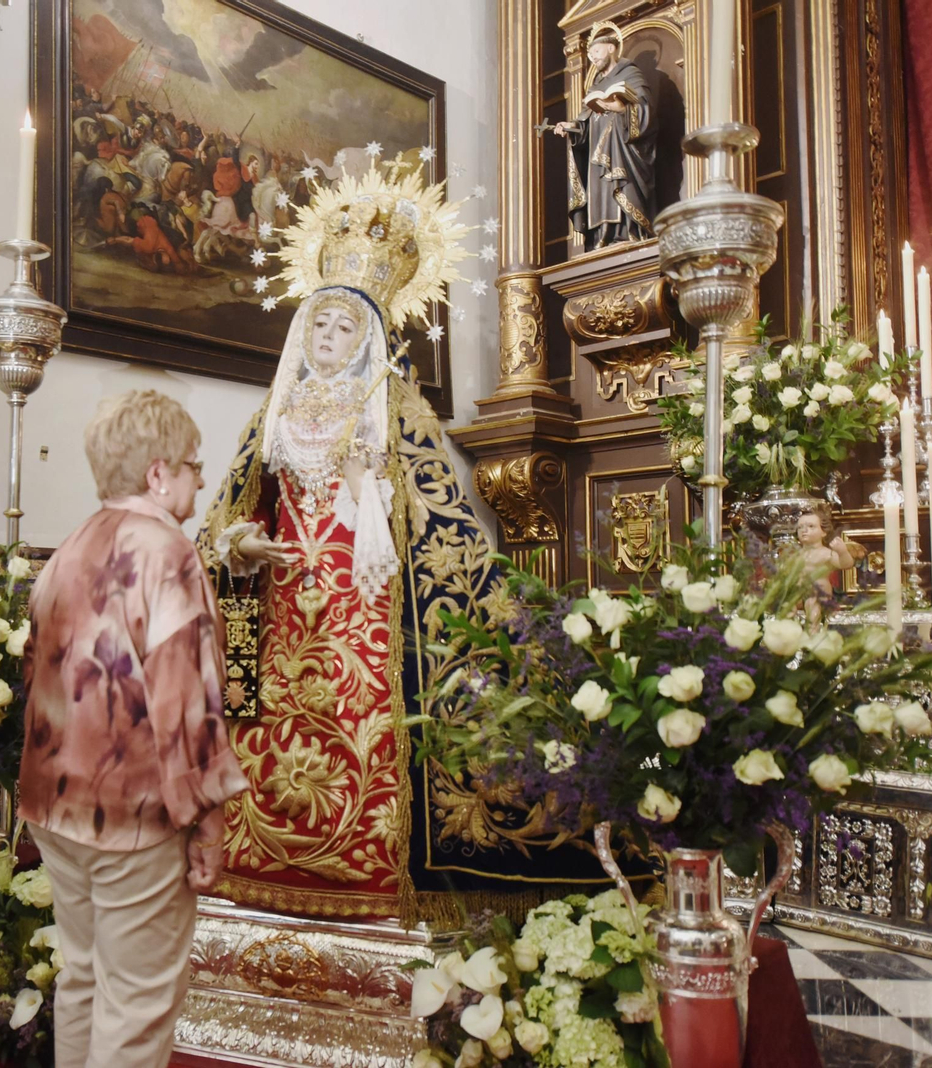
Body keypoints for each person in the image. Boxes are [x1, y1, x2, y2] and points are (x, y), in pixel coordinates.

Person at [198, 163, 626, 923]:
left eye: (345, 327)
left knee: (368, 728)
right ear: (302, 330)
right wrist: (239, 544)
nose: (330, 338)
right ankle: (260, 861)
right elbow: (235, 510)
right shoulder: (273, 411)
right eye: (321, 324)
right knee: (274, 726)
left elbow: (434, 523)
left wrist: (367, 486)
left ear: (369, 337)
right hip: (284, 600)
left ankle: (370, 875)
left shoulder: (390, 410)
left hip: (368, 603)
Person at [18, 391, 249, 1068]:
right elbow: (185, 698)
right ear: (157, 473)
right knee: (138, 1004)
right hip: (135, 813)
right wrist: (206, 818)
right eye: (191, 465)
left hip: (55, 804)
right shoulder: (167, 550)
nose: (201, 480)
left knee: (83, 978)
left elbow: (37, 671)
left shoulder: (70, 545)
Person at [550, 20, 656, 250]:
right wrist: (572, 127)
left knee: (620, 185)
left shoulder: (630, 73)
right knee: (601, 191)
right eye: (589, 55)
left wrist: (622, 109)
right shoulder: (595, 85)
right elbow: (586, 124)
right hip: (599, 155)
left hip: (622, 149)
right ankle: (603, 234)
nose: (593, 58)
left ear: (611, 48)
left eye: (596, 52)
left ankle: (629, 231)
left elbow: (645, 110)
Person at [796, 510, 855, 621]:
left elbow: (846, 564)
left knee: (812, 606)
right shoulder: (797, 555)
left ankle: (814, 634)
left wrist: (842, 552)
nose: (804, 530)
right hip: (797, 593)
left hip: (818, 594)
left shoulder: (825, 553)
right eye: (800, 527)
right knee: (784, 607)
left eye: (811, 526)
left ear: (824, 532)